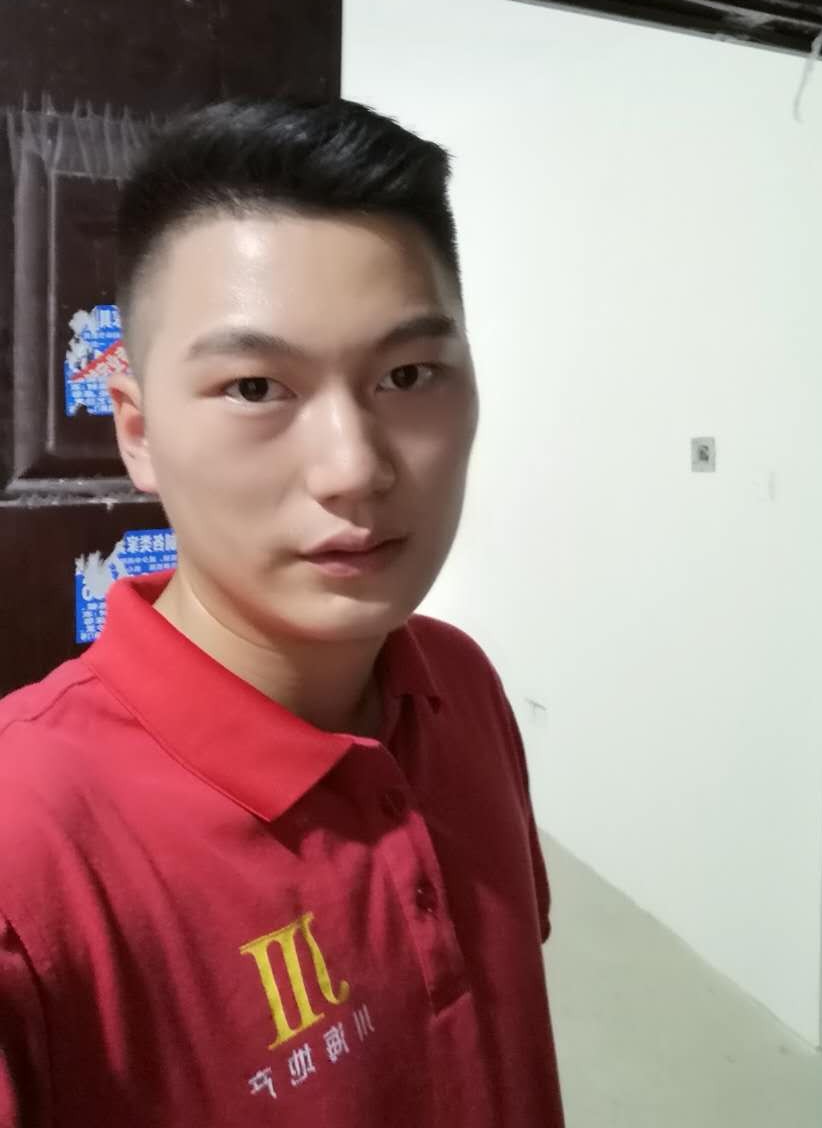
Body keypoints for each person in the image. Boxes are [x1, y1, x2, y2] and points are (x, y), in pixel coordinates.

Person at [0, 100, 564, 1127]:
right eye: (256, 386)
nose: (353, 469)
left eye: (408, 376)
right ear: (137, 432)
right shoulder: (28, 851)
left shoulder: (461, 685)